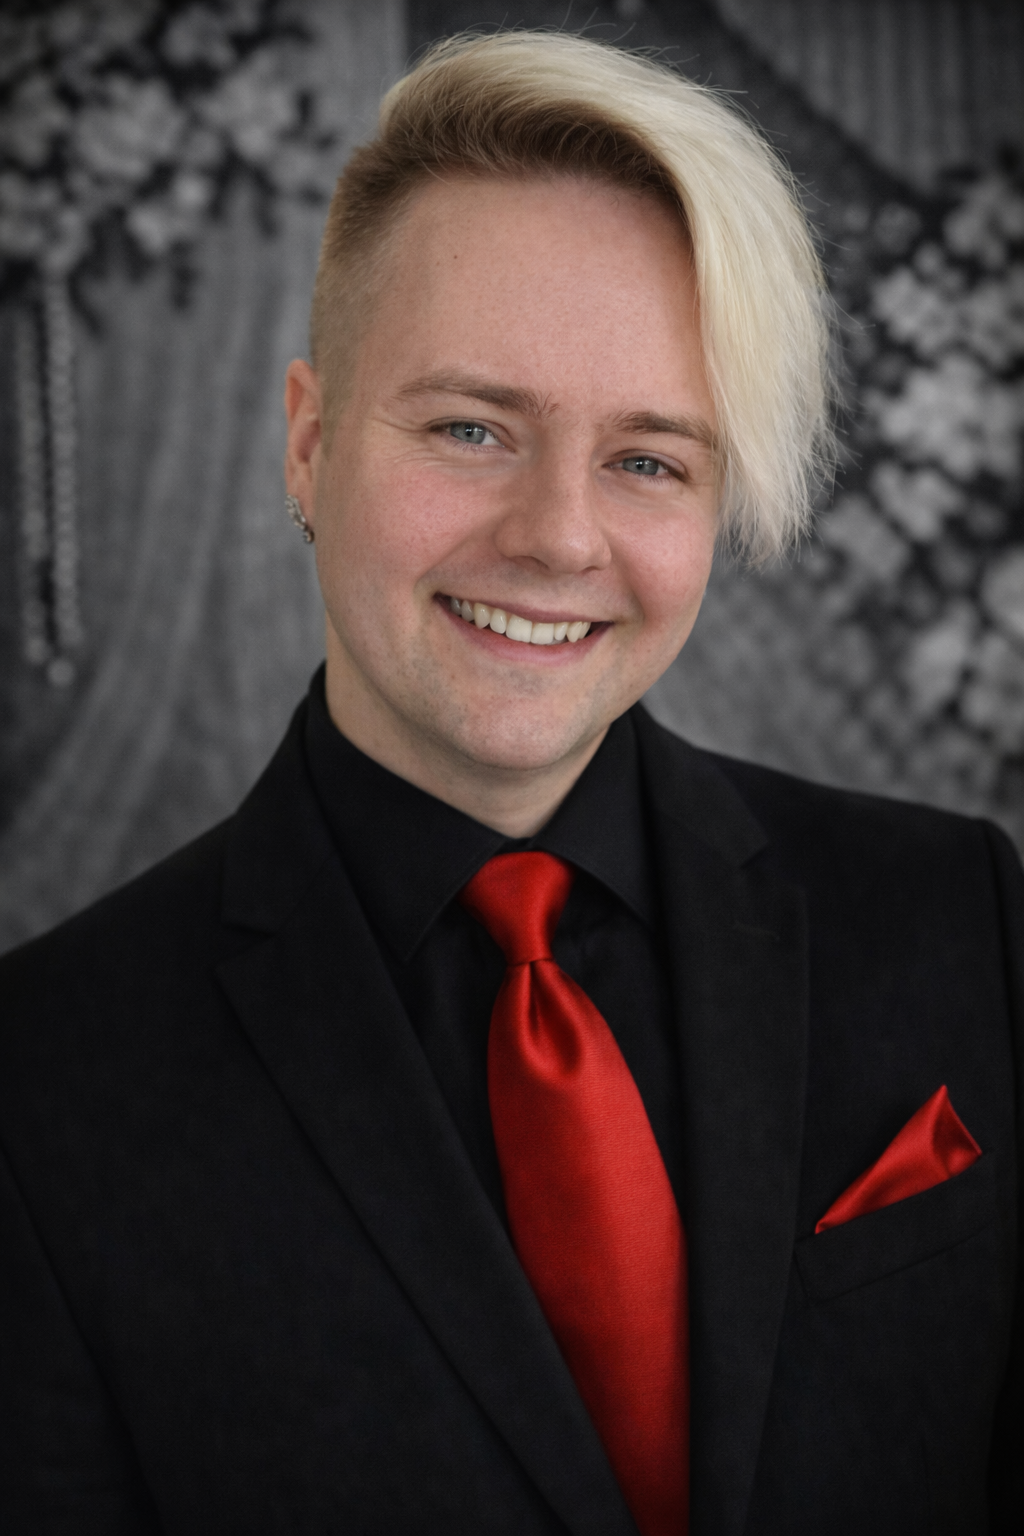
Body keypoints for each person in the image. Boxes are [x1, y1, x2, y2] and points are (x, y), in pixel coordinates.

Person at [0, 29, 1020, 1536]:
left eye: (649, 460)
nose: (558, 537)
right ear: (309, 440)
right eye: (472, 430)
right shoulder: (42, 1084)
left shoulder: (962, 920)